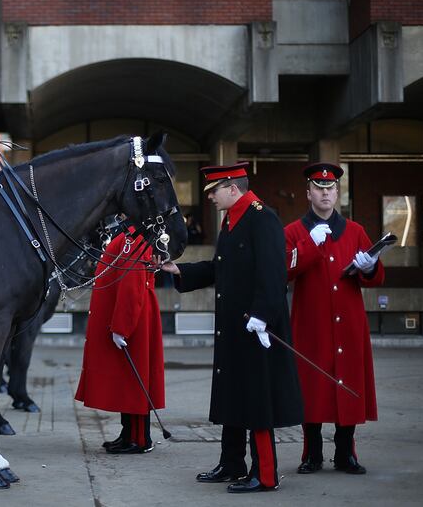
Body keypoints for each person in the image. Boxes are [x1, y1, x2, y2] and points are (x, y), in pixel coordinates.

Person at [160, 162, 303, 493]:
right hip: (234, 328)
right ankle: (232, 462)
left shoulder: (261, 217)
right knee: (234, 395)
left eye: (213, 191)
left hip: (257, 328)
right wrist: (179, 271)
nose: (209, 197)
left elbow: (273, 272)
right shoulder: (232, 221)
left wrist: (262, 315)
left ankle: (264, 474)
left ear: (232, 188)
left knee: (257, 400)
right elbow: (219, 268)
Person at [284, 162, 384, 475]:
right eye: (319, 188)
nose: (325, 193)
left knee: (348, 386)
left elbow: (376, 277)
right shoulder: (293, 231)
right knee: (311, 388)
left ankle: (345, 454)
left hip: (349, 324)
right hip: (311, 325)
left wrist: (368, 266)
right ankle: (312, 453)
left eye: (330, 188)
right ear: (308, 193)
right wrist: (309, 244)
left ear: (337, 193)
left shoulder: (354, 231)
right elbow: (284, 270)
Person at [75, 224, 165, 454]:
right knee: (129, 379)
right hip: (133, 317)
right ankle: (128, 434)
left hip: (133, 320)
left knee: (135, 380)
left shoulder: (134, 239)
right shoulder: (130, 236)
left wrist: (121, 327)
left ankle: (139, 438)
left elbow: (131, 287)